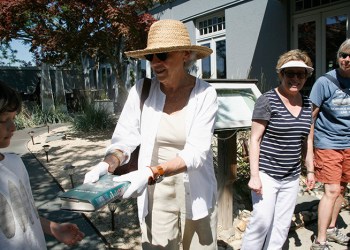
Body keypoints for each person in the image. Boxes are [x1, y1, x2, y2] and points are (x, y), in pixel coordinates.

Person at [84, 19, 218, 249]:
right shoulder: (142, 90)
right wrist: (107, 164)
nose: (155, 62)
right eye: (150, 56)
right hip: (155, 191)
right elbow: (125, 139)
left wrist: (151, 172)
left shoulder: (205, 94)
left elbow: (196, 153)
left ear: (185, 54)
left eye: (163, 54)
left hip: (195, 189)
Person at [241, 49, 316, 250]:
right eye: (290, 73)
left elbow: (307, 140)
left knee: (282, 227)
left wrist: (310, 170)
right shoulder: (267, 100)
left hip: (291, 176)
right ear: (281, 74)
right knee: (261, 222)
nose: (295, 78)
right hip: (267, 174)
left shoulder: (307, 103)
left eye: (301, 74)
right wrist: (254, 175)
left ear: (306, 76)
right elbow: (254, 139)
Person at [0, 81, 84, 249]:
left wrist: (53, 228)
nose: (13, 127)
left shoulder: (15, 162)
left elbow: (25, 211)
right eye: (4, 120)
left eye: (14, 118)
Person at [309, 39, 350, 250]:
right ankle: (320, 240)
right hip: (328, 143)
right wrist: (308, 151)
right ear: (338, 59)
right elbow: (311, 118)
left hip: (348, 144)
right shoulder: (324, 82)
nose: (347, 59)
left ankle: (332, 228)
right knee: (332, 190)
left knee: (342, 188)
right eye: (343, 55)